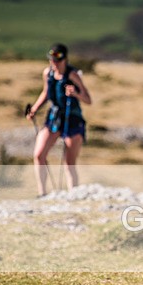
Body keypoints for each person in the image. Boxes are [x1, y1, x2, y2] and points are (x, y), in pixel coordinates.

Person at [26, 43, 92, 196]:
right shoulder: (47, 73)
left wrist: (75, 93)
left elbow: (88, 100)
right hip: (53, 118)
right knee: (39, 155)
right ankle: (42, 194)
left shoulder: (73, 75)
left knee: (69, 163)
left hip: (72, 119)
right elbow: (46, 93)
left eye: (57, 60)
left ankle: (73, 195)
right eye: (51, 60)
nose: (54, 64)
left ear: (65, 59)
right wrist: (34, 109)